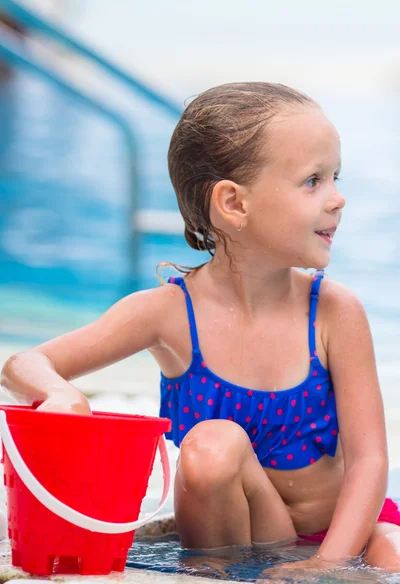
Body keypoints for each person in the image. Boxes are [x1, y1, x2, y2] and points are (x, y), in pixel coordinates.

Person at [1, 82, 400, 576]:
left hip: (341, 532)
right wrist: (62, 395)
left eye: (335, 177)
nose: (338, 199)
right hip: (237, 539)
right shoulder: (168, 313)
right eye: (313, 181)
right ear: (233, 204)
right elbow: (24, 363)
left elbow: (369, 463)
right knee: (213, 445)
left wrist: (324, 564)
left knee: (393, 551)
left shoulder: (334, 312)